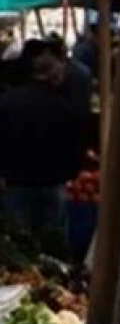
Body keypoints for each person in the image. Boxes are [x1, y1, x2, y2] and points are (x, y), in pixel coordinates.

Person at [0, 42, 83, 237]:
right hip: (52, 184)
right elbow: (74, 149)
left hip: (17, 184)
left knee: (19, 243)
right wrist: (68, 173)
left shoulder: (8, 102)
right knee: (53, 249)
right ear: (54, 75)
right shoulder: (64, 108)